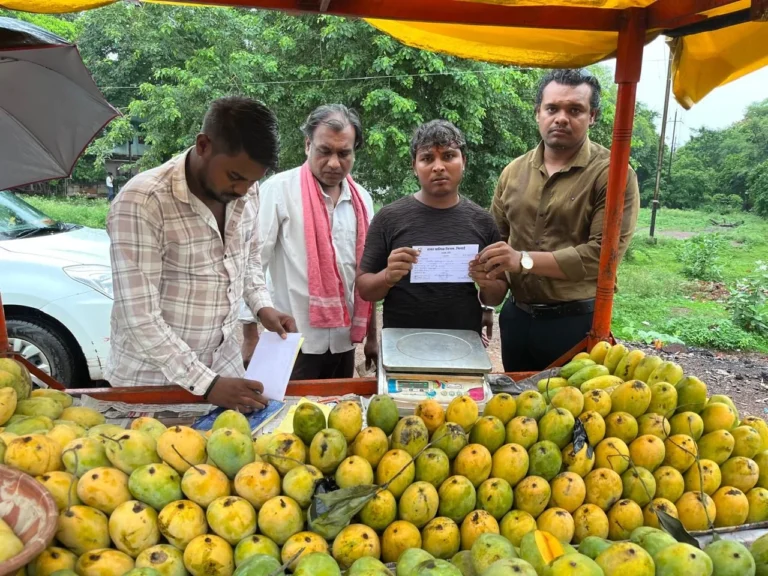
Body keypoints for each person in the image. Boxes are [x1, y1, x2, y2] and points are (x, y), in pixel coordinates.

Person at [106, 96, 296, 412]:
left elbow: (246, 258)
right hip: (153, 387)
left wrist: (262, 306)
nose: (243, 191)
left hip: (225, 372)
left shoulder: (247, 191)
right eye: (235, 177)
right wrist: (206, 384)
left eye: (253, 180)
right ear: (204, 145)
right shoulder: (143, 203)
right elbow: (138, 316)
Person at [474, 69, 640, 371]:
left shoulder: (613, 174)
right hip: (516, 319)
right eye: (552, 108)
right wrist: (488, 286)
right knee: (517, 410)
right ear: (538, 113)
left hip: (576, 324)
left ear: (592, 116)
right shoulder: (513, 172)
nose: (561, 118)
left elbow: (602, 256)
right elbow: (496, 243)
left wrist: (523, 259)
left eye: (575, 110)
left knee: (571, 414)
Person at [240, 104, 377, 380]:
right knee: (289, 419)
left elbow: (366, 275)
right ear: (307, 145)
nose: (334, 163)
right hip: (290, 340)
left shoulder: (363, 200)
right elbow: (251, 263)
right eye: (325, 151)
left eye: (344, 153)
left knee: (338, 417)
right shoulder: (278, 191)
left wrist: (372, 337)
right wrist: (249, 335)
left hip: (344, 341)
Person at [356, 120, 507, 337]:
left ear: (463, 161)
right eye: (427, 158)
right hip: (402, 344)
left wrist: (487, 283)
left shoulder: (482, 221)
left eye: (448, 156)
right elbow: (364, 289)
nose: (438, 166)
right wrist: (388, 276)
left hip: (463, 343)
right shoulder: (389, 218)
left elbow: (496, 297)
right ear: (414, 167)